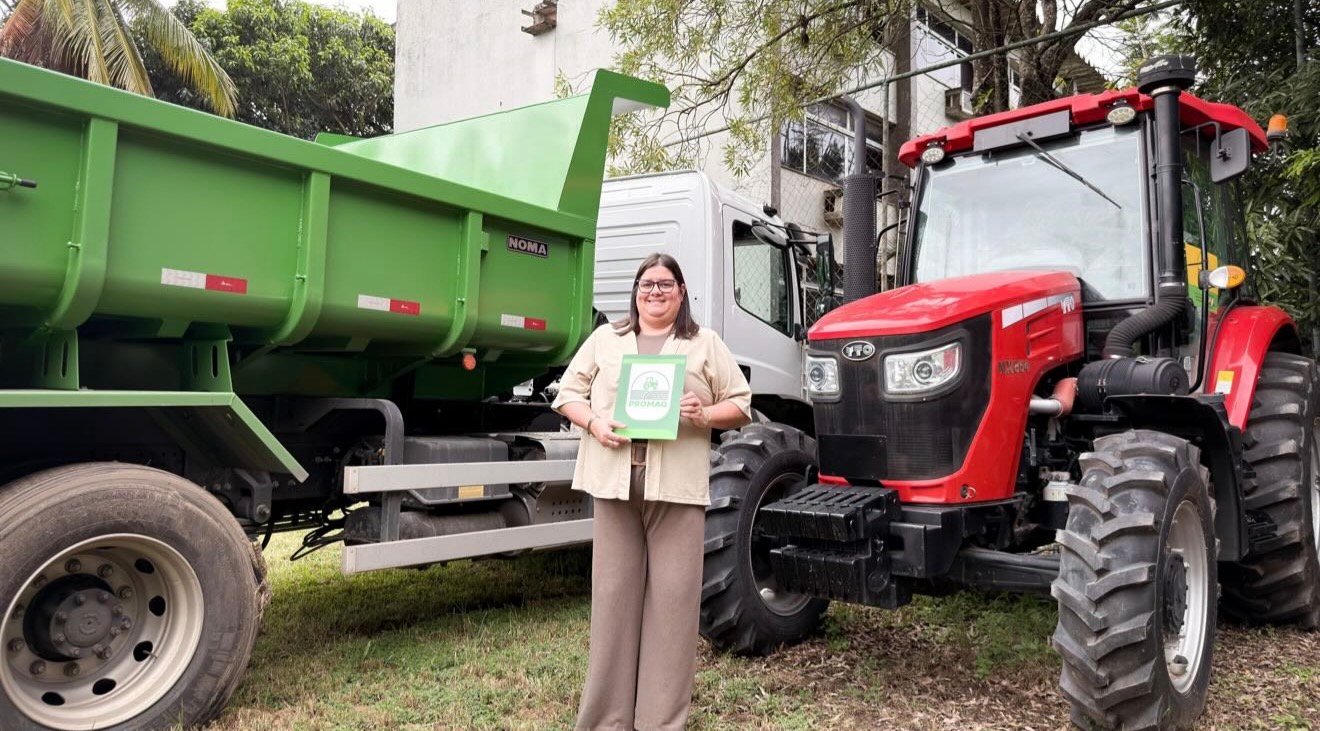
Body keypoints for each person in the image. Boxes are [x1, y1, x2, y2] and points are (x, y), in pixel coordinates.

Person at [553, 252, 752, 731]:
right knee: (613, 601)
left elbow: (741, 404)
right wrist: (597, 424)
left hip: (676, 488)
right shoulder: (606, 339)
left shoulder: (704, 343)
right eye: (647, 284)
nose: (655, 292)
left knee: (673, 606)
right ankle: (606, 720)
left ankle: (661, 722)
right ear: (635, 291)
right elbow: (567, 394)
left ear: (681, 292)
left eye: (665, 284)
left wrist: (703, 415)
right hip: (614, 482)